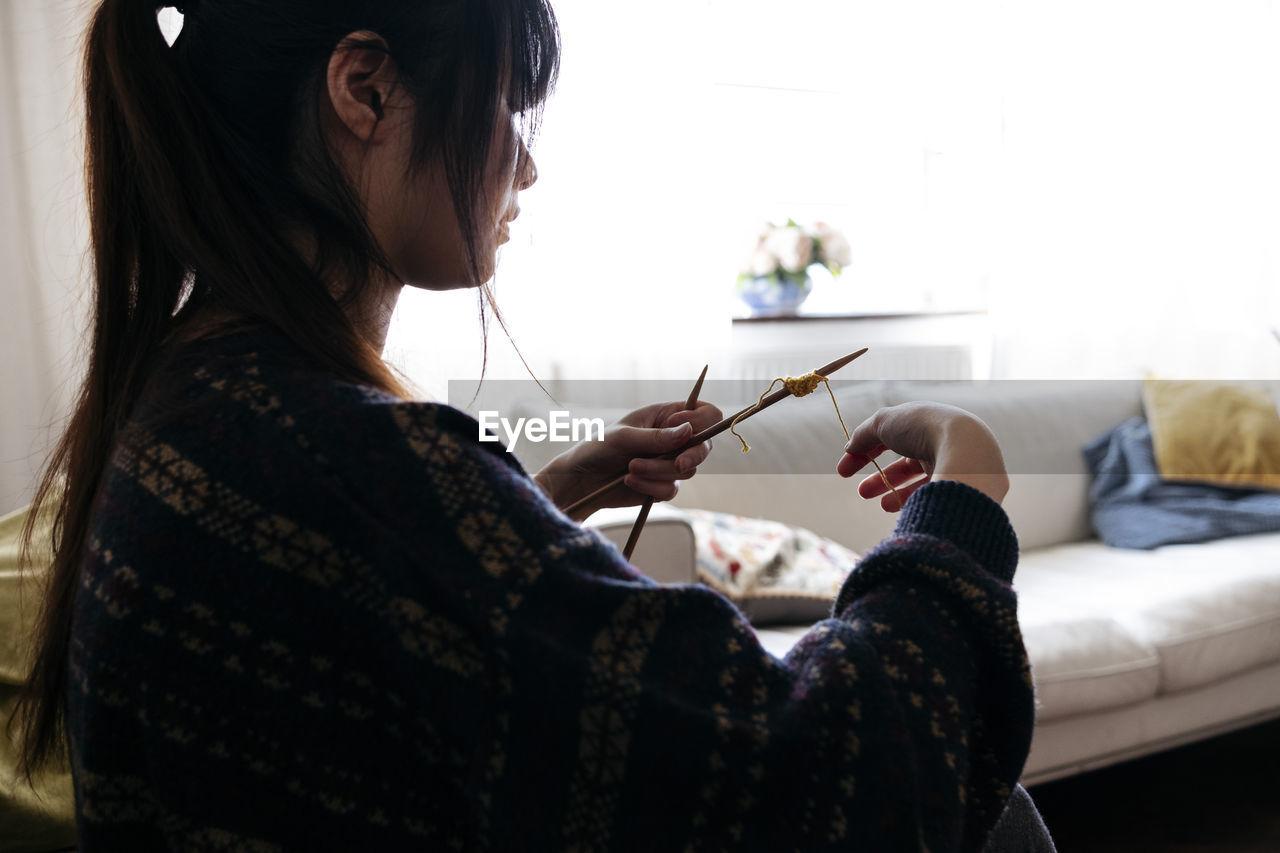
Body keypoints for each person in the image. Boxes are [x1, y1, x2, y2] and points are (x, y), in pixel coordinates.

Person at [13, 0, 1055, 850]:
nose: (525, 166)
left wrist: (549, 495)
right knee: (996, 820)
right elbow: (827, 777)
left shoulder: (192, 400)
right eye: (510, 106)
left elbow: (381, 641)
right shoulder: (353, 465)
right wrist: (962, 502)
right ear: (364, 88)